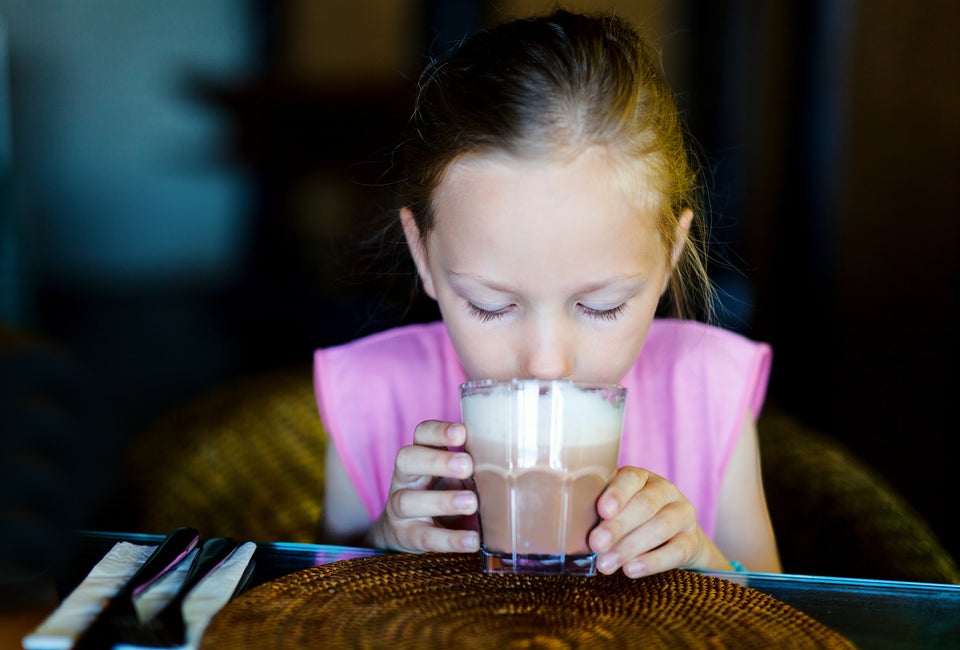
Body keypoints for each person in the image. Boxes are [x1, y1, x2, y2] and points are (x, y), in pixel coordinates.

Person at [313, 9, 782, 577]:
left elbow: (777, 615)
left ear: (669, 259)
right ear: (423, 254)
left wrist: (703, 560)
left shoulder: (707, 388)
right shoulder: (369, 395)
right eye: (491, 304)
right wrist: (382, 543)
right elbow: (320, 604)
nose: (546, 362)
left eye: (600, 305)